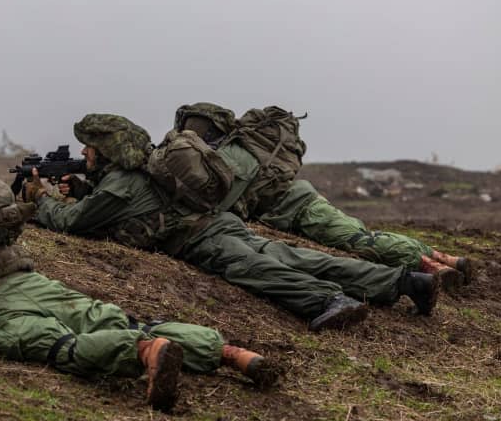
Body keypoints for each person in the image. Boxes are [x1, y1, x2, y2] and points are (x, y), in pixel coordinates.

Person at [0, 161, 280, 412]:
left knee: (59, 345)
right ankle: (229, 354)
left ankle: (143, 353)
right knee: (115, 316)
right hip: (35, 282)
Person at [26, 114, 439, 332]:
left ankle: (327, 301)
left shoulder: (118, 185)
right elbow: (114, 206)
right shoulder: (135, 173)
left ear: (108, 149)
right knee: (294, 256)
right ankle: (401, 282)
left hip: (203, 238)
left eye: (91, 146)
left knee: (252, 268)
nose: (85, 151)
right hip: (220, 222)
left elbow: (74, 224)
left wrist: (40, 199)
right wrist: (83, 188)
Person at [172, 103, 473, 292]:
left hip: (300, 209)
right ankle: (443, 259)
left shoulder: (233, 156)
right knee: (359, 235)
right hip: (300, 201)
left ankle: (434, 265)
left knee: (358, 240)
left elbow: (225, 202)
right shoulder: (238, 150)